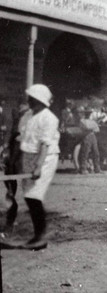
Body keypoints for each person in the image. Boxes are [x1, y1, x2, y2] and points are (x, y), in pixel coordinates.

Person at [10, 84, 60, 250]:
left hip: (45, 158)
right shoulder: (27, 116)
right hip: (29, 156)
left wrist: (38, 167)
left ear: (40, 100)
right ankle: (39, 235)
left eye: (32, 99)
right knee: (29, 196)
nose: (29, 101)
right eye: (29, 98)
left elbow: (45, 145)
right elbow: (21, 139)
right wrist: (13, 159)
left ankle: (40, 237)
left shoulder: (49, 118)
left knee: (33, 196)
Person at [1, 101, 29, 236]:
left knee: (10, 192)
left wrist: (5, 147)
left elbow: (11, 133)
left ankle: (9, 225)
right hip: (10, 157)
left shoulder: (10, 115)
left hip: (12, 158)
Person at [77, 107, 102, 174]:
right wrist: (92, 127)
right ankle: (83, 169)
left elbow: (97, 129)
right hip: (86, 136)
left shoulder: (92, 121)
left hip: (92, 136)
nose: (88, 114)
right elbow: (86, 127)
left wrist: (92, 127)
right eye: (87, 113)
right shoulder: (82, 121)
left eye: (89, 113)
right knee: (85, 152)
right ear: (85, 113)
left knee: (96, 153)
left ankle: (97, 168)